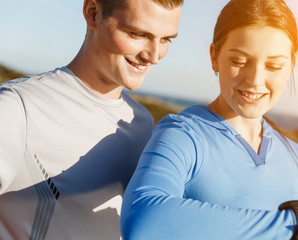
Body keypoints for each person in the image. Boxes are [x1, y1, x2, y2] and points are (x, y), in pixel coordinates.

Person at [120, 0, 298, 239]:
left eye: (274, 66)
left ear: (291, 65)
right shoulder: (184, 135)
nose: (255, 80)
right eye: (239, 61)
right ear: (214, 56)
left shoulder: (295, 158)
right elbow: (142, 221)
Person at [0, 0, 182, 239]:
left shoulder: (142, 124)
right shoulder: (17, 108)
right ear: (93, 14)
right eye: (138, 34)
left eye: (166, 39)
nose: (154, 56)